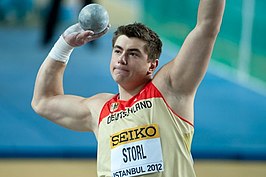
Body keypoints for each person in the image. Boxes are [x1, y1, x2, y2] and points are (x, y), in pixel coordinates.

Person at [32, 0, 225, 176]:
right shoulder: (99, 109)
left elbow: (206, 28)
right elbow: (43, 101)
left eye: (133, 54)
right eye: (118, 51)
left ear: (152, 65)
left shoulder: (169, 90)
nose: (121, 60)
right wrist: (64, 44)